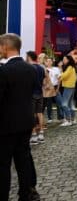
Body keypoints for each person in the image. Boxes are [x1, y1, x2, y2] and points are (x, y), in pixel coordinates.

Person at [0, 34, 39, 200]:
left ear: (5, 47)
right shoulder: (31, 69)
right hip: (26, 122)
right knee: (23, 160)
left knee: (3, 164)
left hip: (5, 125)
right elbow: (34, 94)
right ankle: (26, 193)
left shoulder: (3, 70)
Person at [26, 51, 46, 145]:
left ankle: (34, 135)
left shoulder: (29, 68)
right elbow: (44, 80)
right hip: (40, 93)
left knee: (32, 114)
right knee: (40, 113)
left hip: (31, 93)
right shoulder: (41, 68)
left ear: (29, 57)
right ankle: (41, 134)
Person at [59, 55, 77, 126]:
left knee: (64, 104)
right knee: (70, 104)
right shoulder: (72, 67)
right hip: (72, 87)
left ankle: (68, 120)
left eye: (64, 59)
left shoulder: (69, 67)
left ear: (68, 60)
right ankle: (73, 119)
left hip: (68, 87)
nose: (63, 60)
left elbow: (64, 76)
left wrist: (60, 70)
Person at [44, 57, 62, 122]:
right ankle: (50, 118)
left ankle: (60, 117)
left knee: (59, 102)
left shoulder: (56, 69)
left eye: (50, 61)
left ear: (52, 62)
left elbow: (59, 79)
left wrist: (58, 88)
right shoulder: (44, 69)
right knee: (49, 104)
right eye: (47, 61)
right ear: (45, 62)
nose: (49, 62)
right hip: (48, 88)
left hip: (55, 87)